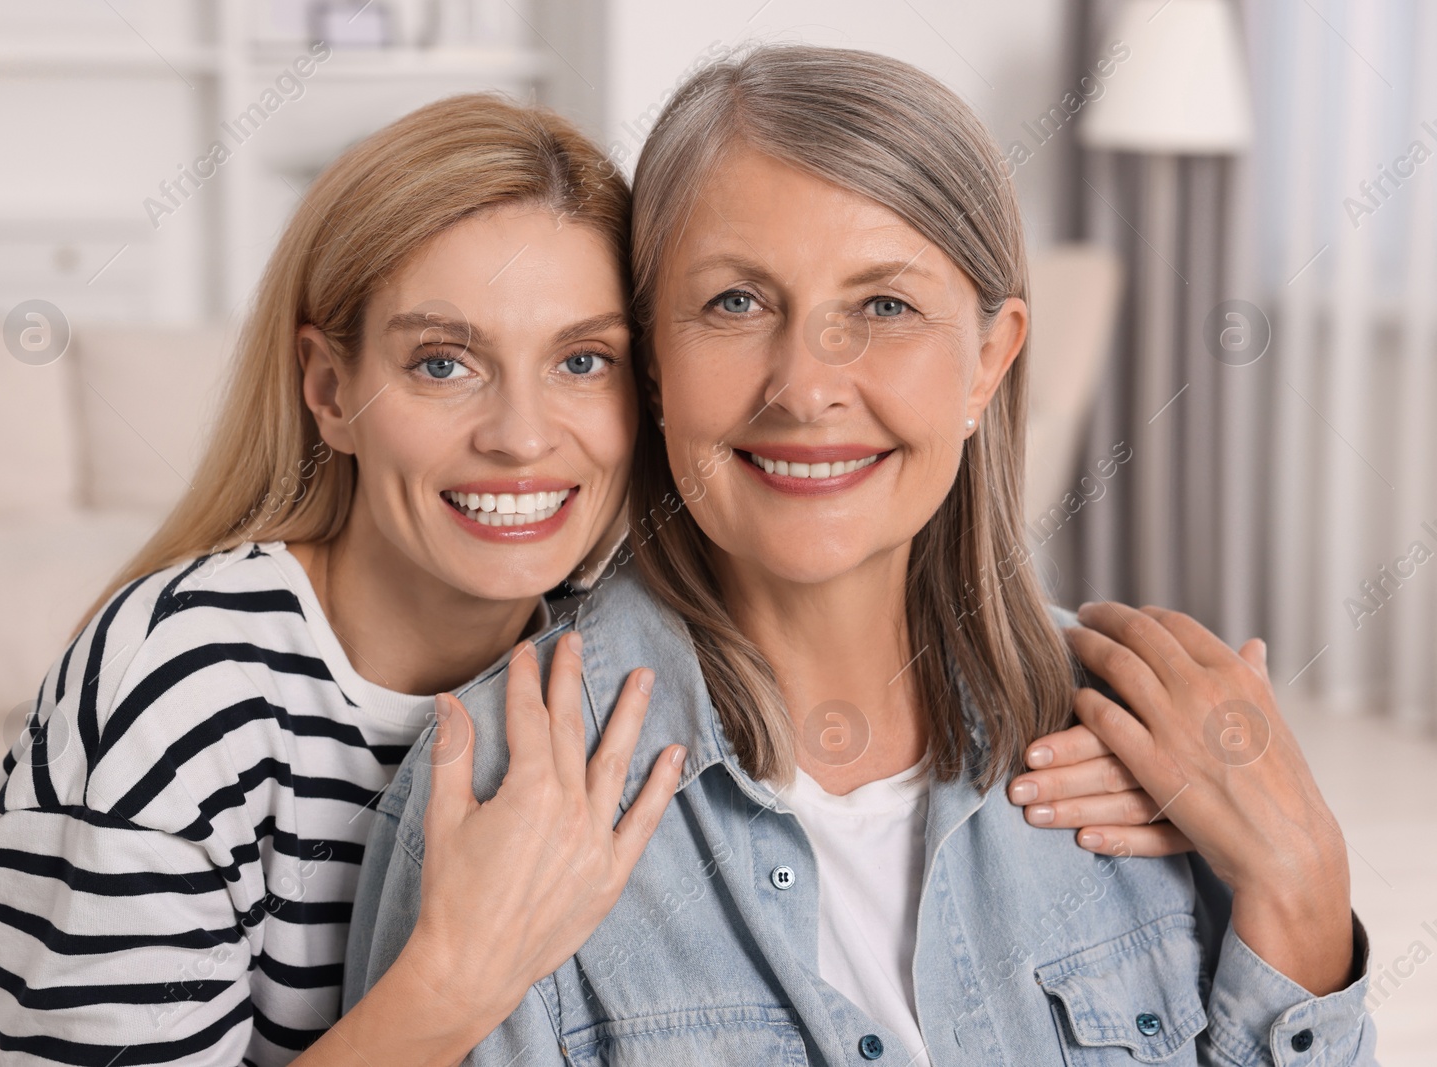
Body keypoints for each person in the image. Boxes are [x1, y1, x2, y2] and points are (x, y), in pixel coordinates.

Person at [342, 46, 1376, 1065]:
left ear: (988, 358)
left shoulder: (1157, 744)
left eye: (882, 305)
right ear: (653, 360)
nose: (805, 385)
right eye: (735, 303)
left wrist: (1300, 891)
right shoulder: (490, 786)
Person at [0, 94, 690, 1067]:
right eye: (443, 362)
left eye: (582, 359)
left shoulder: (615, 669)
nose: (520, 434)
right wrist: (456, 977)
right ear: (331, 389)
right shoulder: (175, 689)